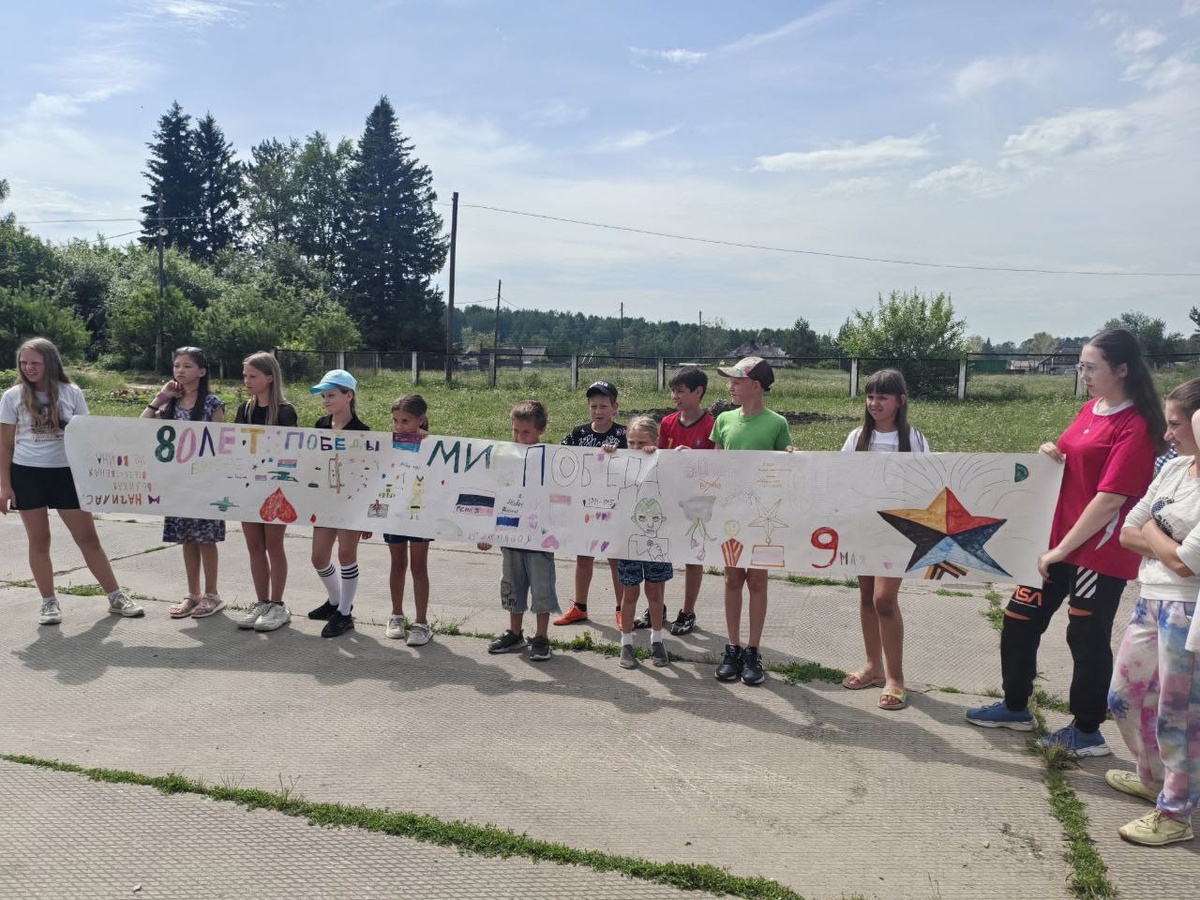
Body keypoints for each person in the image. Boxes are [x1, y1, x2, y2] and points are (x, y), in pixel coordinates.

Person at [966, 329, 1164, 756]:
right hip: (1057, 541)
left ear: (1122, 370)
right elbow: (1074, 455)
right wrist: (1050, 452)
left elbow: (1110, 499)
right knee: (1019, 618)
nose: (1083, 374)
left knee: (1085, 636)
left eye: (1091, 367)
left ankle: (1087, 731)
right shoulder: (1091, 408)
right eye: (1081, 366)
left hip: (1097, 551)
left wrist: (1060, 550)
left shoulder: (1136, 425)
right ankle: (1015, 707)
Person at [1106, 379, 1200, 846]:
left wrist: (1155, 533)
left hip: (1188, 608)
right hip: (1150, 596)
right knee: (1124, 695)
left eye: (1176, 424)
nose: (1168, 434)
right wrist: (1167, 540)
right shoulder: (1176, 469)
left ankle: (1177, 812)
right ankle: (1153, 778)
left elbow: (1187, 564)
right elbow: (1127, 530)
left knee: (1177, 715)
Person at [0, 337, 143, 623]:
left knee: (87, 537)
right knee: (39, 540)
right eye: (24, 363)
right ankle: (49, 602)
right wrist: (4, 485)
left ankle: (116, 596)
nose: (28, 368)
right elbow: (4, 445)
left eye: (35, 362)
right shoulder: (12, 396)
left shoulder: (71, 392)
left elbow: (87, 437)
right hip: (27, 474)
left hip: (67, 473)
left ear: (50, 362)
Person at [839, 368, 930, 711]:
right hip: (864, 528)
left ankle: (895, 678)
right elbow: (839, 477)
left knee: (884, 600)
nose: (874, 403)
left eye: (883, 397)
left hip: (899, 532)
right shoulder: (856, 438)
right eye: (870, 396)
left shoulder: (914, 439)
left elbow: (927, 484)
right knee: (866, 596)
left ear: (900, 401)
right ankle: (873, 666)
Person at [710, 356, 793, 685]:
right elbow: (715, 465)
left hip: (762, 517)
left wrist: (792, 458)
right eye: (730, 381)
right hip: (731, 515)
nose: (731, 387)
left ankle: (753, 650)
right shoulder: (723, 420)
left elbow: (785, 466)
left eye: (737, 381)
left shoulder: (777, 423)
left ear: (756, 386)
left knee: (757, 582)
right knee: (732, 579)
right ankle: (732, 647)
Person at [141, 346, 227, 619]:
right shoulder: (170, 404)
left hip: (204, 482)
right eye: (177, 365)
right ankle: (193, 593)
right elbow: (142, 425)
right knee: (187, 539)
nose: (180, 370)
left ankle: (212, 594)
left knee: (206, 538)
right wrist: (160, 398)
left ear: (202, 371)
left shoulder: (212, 404)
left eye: (187, 366)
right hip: (176, 482)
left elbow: (220, 444)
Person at [480, 400, 560, 662]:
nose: (519, 437)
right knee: (512, 585)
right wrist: (487, 533)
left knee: (541, 587)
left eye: (526, 432)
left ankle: (541, 637)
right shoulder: (504, 458)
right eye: (515, 431)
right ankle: (515, 634)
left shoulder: (551, 460)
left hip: (539, 539)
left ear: (540, 430)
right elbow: (494, 494)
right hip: (511, 536)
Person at [233, 351, 298, 633]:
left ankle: (277, 605)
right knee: (254, 546)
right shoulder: (244, 409)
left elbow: (292, 451)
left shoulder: (285, 411)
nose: (247, 381)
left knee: (274, 545)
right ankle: (261, 601)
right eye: (245, 375)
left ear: (270, 378)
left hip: (276, 488)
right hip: (248, 486)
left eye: (253, 376)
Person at [553, 380, 626, 626]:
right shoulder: (578, 434)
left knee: (616, 559)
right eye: (594, 406)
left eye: (604, 406)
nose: (598, 411)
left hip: (615, 508)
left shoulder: (624, 435)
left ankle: (622, 609)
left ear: (615, 407)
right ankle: (579, 607)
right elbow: (559, 459)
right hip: (584, 508)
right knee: (584, 557)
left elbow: (640, 458)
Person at [305, 369, 371, 638]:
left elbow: (368, 474)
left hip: (350, 503)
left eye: (331, 395)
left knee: (346, 555)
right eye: (323, 396)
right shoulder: (321, 425)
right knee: (318, 557)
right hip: (324, 501)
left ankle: (344, 613)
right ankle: (335, 601)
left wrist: (367, 515)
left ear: (349, 396)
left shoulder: (362, 432)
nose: (326, 401)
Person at [650, 365, 715, 636]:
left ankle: (688, 611)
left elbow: (717, 464)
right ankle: (656, 606)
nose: (674, 396)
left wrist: (695, 459)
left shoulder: (712, 425)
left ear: (698, 392)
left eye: (680, 391)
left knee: (692, 555)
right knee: (660, 552)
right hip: (669, 497)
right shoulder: (667, 423)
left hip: (697, 501)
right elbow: (658, 457)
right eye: (673, 391)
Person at [610, 416, 671, 669]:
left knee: (654, 591)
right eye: (631, 442)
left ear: (655, 441)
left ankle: (657, 640)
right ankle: (626, 643)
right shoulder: (620, 462)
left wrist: (664, 455)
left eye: (642, 443)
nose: (635, 448)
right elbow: (603, 473)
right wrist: (608, 454)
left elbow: (681, 475)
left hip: (657, 540)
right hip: (629, 540)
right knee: (630, 593)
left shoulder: (664, 462)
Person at [382, 394, 434, 647]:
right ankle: (396, 615)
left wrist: (428, 441)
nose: (399, 426)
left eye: (405, 421)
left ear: (420, 420)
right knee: (397, 564)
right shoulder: (388, 442)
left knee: (419, 567)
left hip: (420, 512)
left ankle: (422, 623)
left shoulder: (431, 443)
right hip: (395, 511)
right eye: (395, 421)